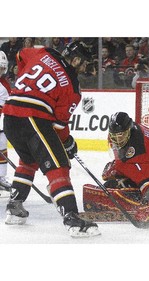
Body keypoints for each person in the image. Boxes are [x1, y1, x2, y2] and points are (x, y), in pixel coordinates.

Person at [2, 41, 100, 238]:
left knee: (29, 161)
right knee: (59, 166)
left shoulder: (45, 52)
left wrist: (26, 83)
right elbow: (59, 126)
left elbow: (21, 55)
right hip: (33, 118)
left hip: (10, 115)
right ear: (77, 59)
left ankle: (14, 208)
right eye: (85, 63)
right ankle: (72, 218)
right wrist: (67, 142)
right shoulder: (73, 86)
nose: (86, 68)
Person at [82, 112, 149, 227]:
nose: (118, 140)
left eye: (121, 135)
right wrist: (117, 167)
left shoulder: (138, 148)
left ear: (129, 129)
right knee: (111, 184)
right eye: (115, 136)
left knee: (127, 188)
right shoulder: (122, 136)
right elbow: (123, 157)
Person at [0, 51, 11, 197]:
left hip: (1, 125)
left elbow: (2, 108)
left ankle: (1, 177)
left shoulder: (4, 87)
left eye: (2, 68)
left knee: (2, 148)